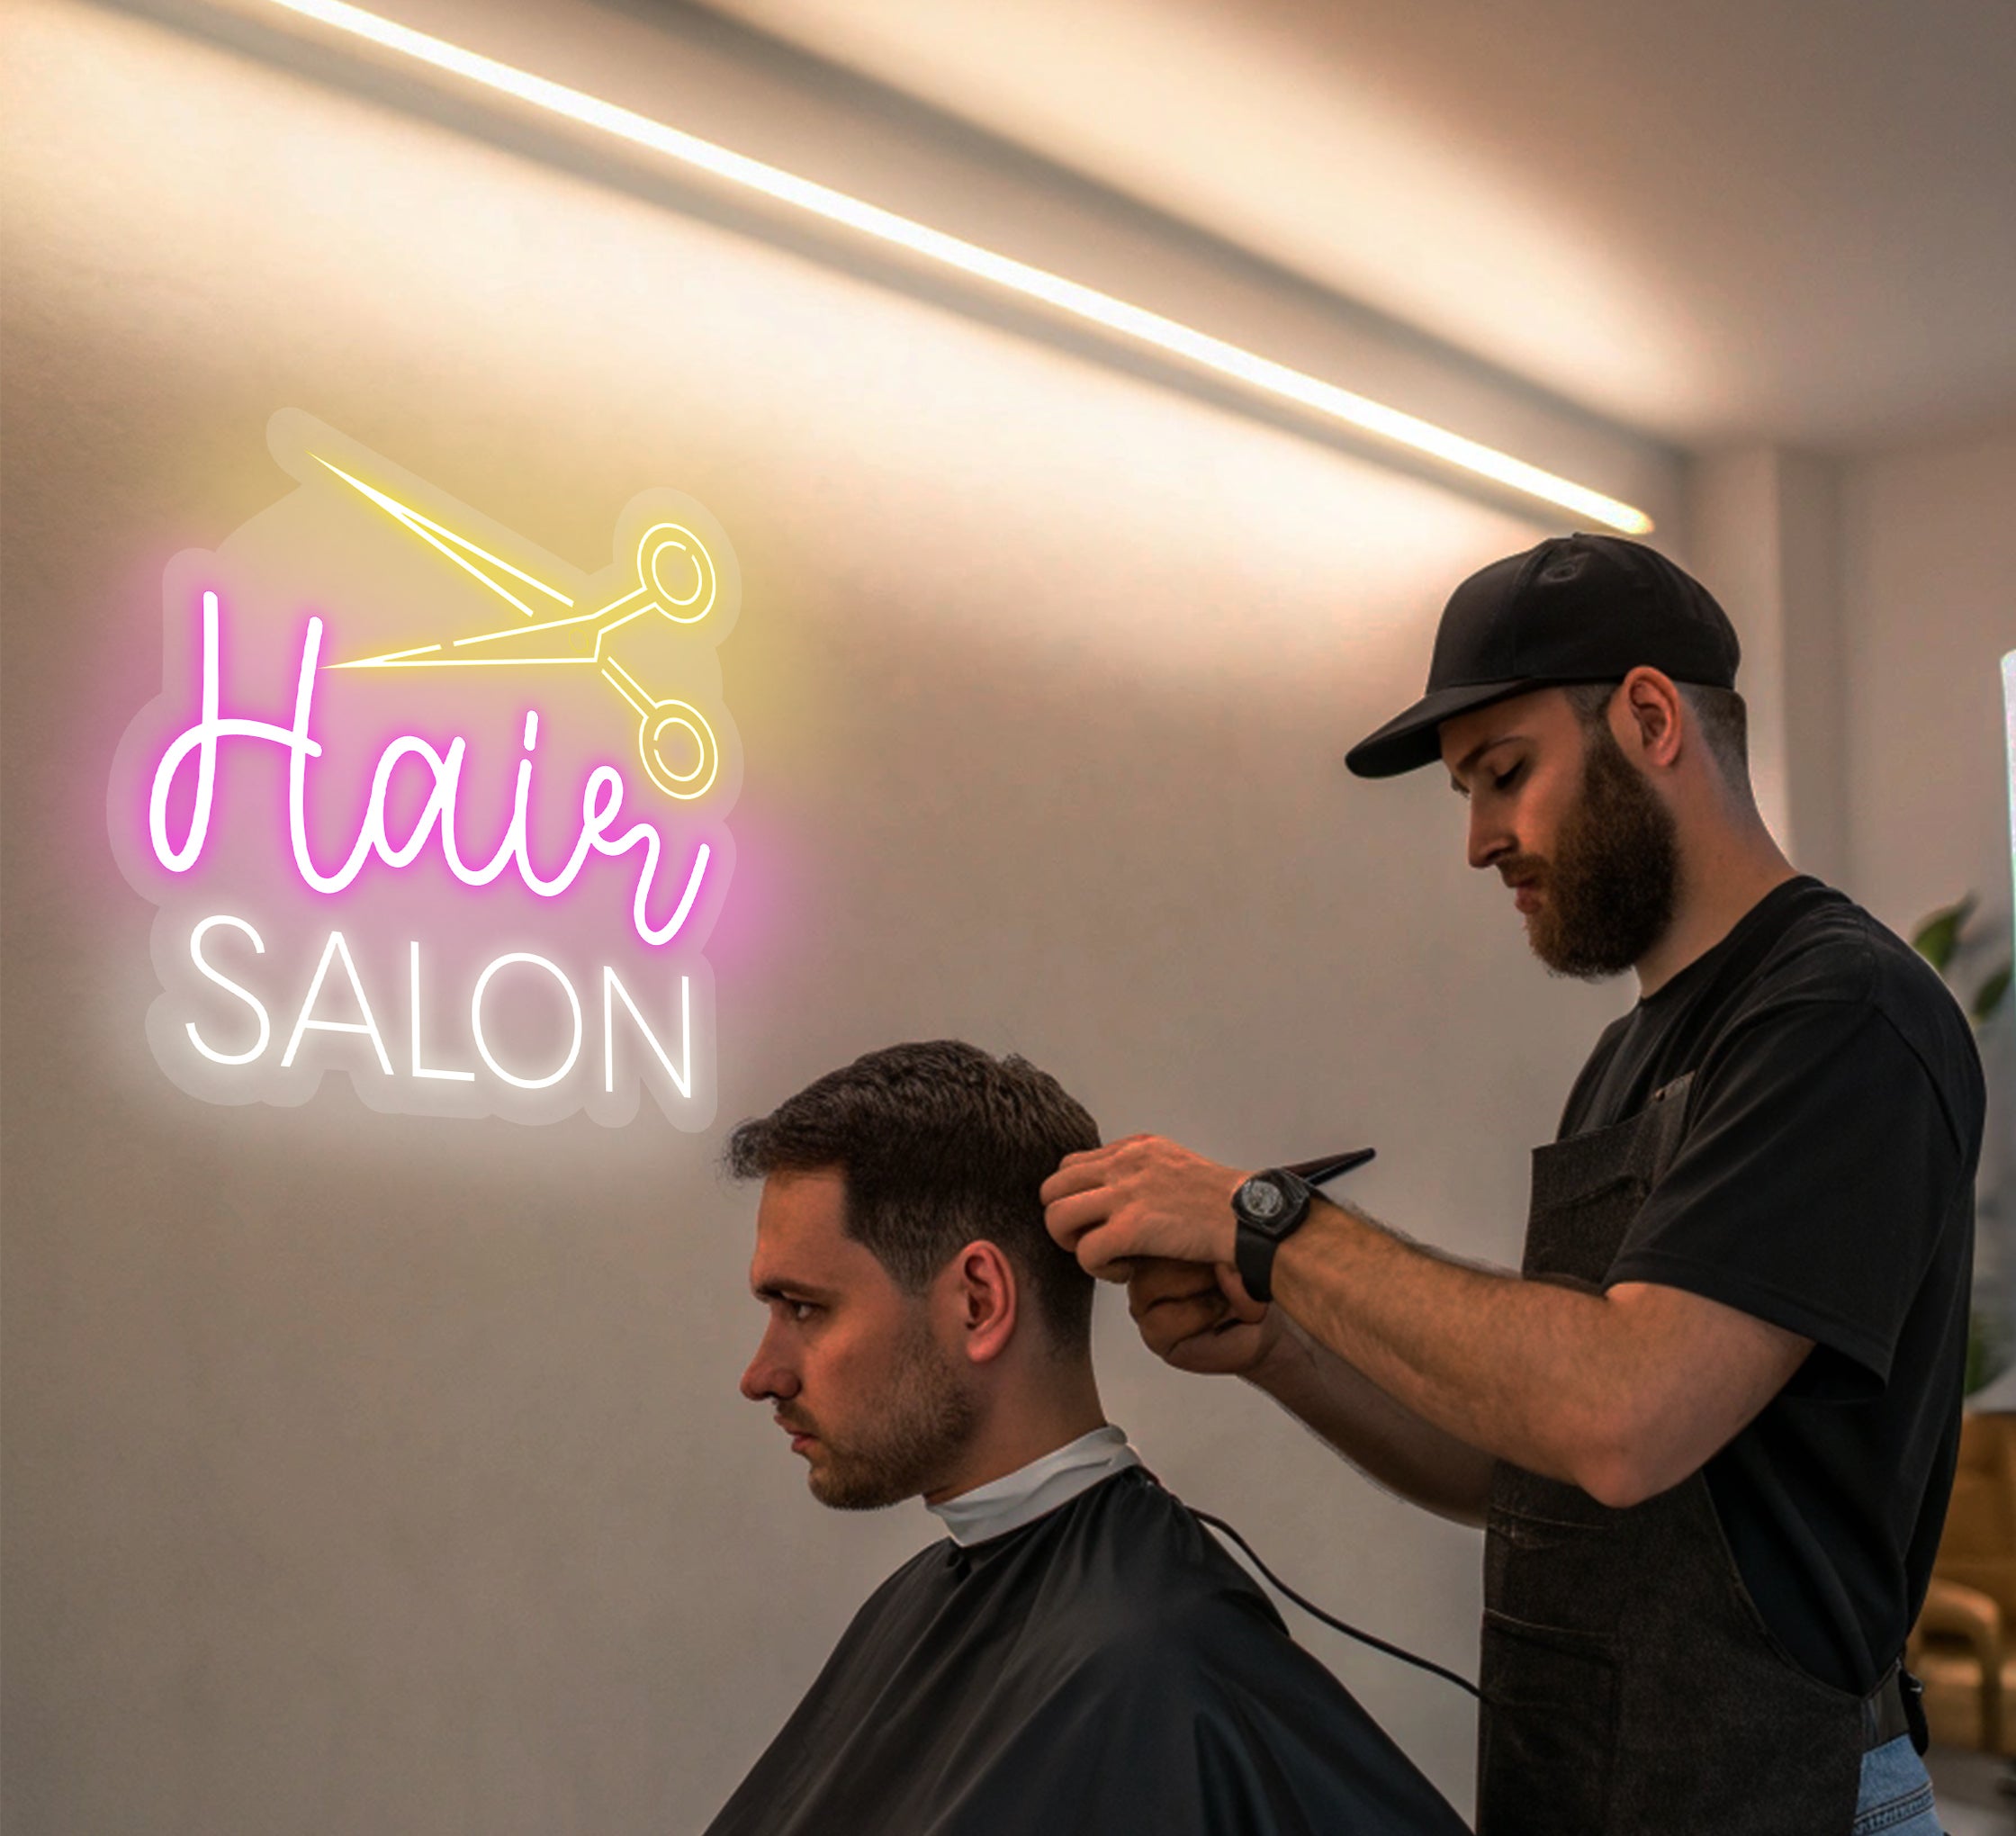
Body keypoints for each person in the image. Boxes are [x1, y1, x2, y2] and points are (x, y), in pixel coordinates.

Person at [1041, 535, 1985, 1836]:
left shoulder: (1841, 1016)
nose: (1481, 840)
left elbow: (1625, 1410)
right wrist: (1284, 1351)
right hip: (1592, 1784)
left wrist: (1271, 1223)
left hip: (1788, 1798)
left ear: (1651, 718)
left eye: (1504, 774)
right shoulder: (1624, 1060)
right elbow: (1537, 1462)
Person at [704, 1040, 1471, 1836]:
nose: (762, 1376)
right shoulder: (926, 1605)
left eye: (804, 1308)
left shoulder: (1159, 1659)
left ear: (978, 1301)